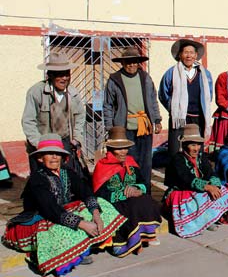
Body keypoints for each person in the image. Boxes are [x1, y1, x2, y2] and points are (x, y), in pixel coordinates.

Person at [2, 134, 125, 276]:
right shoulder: (38, 178)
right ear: (41, 158)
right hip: (39, 219)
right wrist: (83, 224)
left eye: (57, 154)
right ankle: (40, 256)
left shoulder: (67, 172)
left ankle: (82, 247)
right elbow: (50, 210)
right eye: (49, 153)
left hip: (60, 213)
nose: (54, 157)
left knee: (101, 206)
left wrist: (96, 215)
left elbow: (85, 192)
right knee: (63, 231)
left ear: (62, 157)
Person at [92, 126, 162, 256]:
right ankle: (125, 242)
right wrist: (123, 193)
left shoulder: (130, 162)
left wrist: (137, 189)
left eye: (125, 148)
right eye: (119, 148)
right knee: (128, 207)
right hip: (114, 203)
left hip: (132, 199)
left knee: (146, 200)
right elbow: (99, 193)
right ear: (111, 149)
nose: (123, 151)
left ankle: (145, 235)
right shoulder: (102, 166)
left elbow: (143, 182)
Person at [163, 124, 228, 237]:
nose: (196, 148)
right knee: (201, 196)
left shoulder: (201, 157)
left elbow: (210, 172)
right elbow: (185, 179)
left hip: (197, 189)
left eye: (198, 145)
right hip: (180, 192)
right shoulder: (177, 159)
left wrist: (214, 185)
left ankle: (218, 215)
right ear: (185, 145)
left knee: (221, 189)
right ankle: (204, 221)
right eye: (193, 145)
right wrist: (207, 187)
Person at [104, 47, 162, 191]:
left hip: (144, 126)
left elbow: (153, 100)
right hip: (124, 128)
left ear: (138, 63)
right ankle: (129, 192)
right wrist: (110, 127)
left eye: (134, 62)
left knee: (146, 162)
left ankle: (145, 193)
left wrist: (157, 120)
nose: (131, 65)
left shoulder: (145, 78)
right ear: (122, 63)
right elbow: (108, 105)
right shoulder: (114, 80)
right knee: (129, 161)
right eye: (127, 62)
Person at [22, 52, 85, 173]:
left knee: (66, 179)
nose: (64, 78)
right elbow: (28, 121)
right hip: (42, 144)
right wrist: (39, 144)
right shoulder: (36, 92)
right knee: (43, 181)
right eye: (60, 75)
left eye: (67, 74)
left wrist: (77, 138)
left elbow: (80, 116)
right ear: (50, 75)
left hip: (65, 143)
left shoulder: (73, 93)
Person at [159, 39, 213, 158]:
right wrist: (174, 109)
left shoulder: (205, 74)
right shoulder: (171, 73)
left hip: (198, 118)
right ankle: (176, 176)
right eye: (185, 52)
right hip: (179, 119)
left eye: (192, 52)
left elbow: (209, 95)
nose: (189, 56)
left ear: (196, 55)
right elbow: (163, 94)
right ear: (180, 55)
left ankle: (197, 174)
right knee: (176, 150)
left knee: (197, 150)